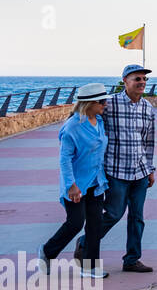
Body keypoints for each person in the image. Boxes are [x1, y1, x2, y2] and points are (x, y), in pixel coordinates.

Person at [83, 64, 157, 273]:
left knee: (137, 218)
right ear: (125, 80)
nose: (142, 82)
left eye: (144, 79)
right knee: (113, 214)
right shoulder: (110, 104)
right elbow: (87, 119)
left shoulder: (148, 108)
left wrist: (150, 168)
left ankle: (132, 260)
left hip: (140, 172)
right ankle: (85, 243)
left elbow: (149, 141)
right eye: (137, 79)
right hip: (116, 171)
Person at [42, 84, 110, 279]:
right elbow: (64, 159)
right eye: (102, 101)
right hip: (76, 185)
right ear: (89, 103)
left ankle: (89, 267)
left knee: (95, 225)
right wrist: (71, 185)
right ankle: (47, 252)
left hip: (96, 183)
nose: (105, 104)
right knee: (75, 223)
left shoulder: (99, 121)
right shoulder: (72, 127)